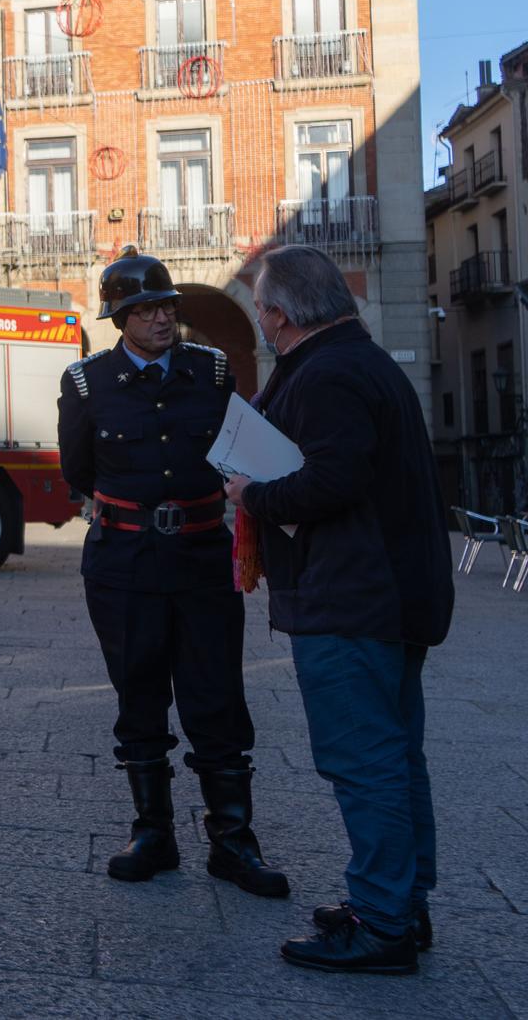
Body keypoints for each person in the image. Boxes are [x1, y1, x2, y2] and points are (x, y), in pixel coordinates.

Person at [224, 244, 453, 975]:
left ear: (280, 313)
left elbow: (331, 480)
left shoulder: (328, 373)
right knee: (393, 752)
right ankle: (401, 904)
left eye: (261, 306)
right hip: (383, 593)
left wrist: (250, 494)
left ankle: (383, 922)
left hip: (351, 597)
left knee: (364, 760)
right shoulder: (358, 361)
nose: (259, 318)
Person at [58, 246, 288, 897]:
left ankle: (233, 842)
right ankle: (152, 832)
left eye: (165, 307)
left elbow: (235, 452)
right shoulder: (86, 383)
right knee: (139, 693)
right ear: (119, 317)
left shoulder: (212, 371)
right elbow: (77, 470)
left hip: (198, 558)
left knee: (216, 695)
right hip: (123, 563)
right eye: (145, 309)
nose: (161, 318)